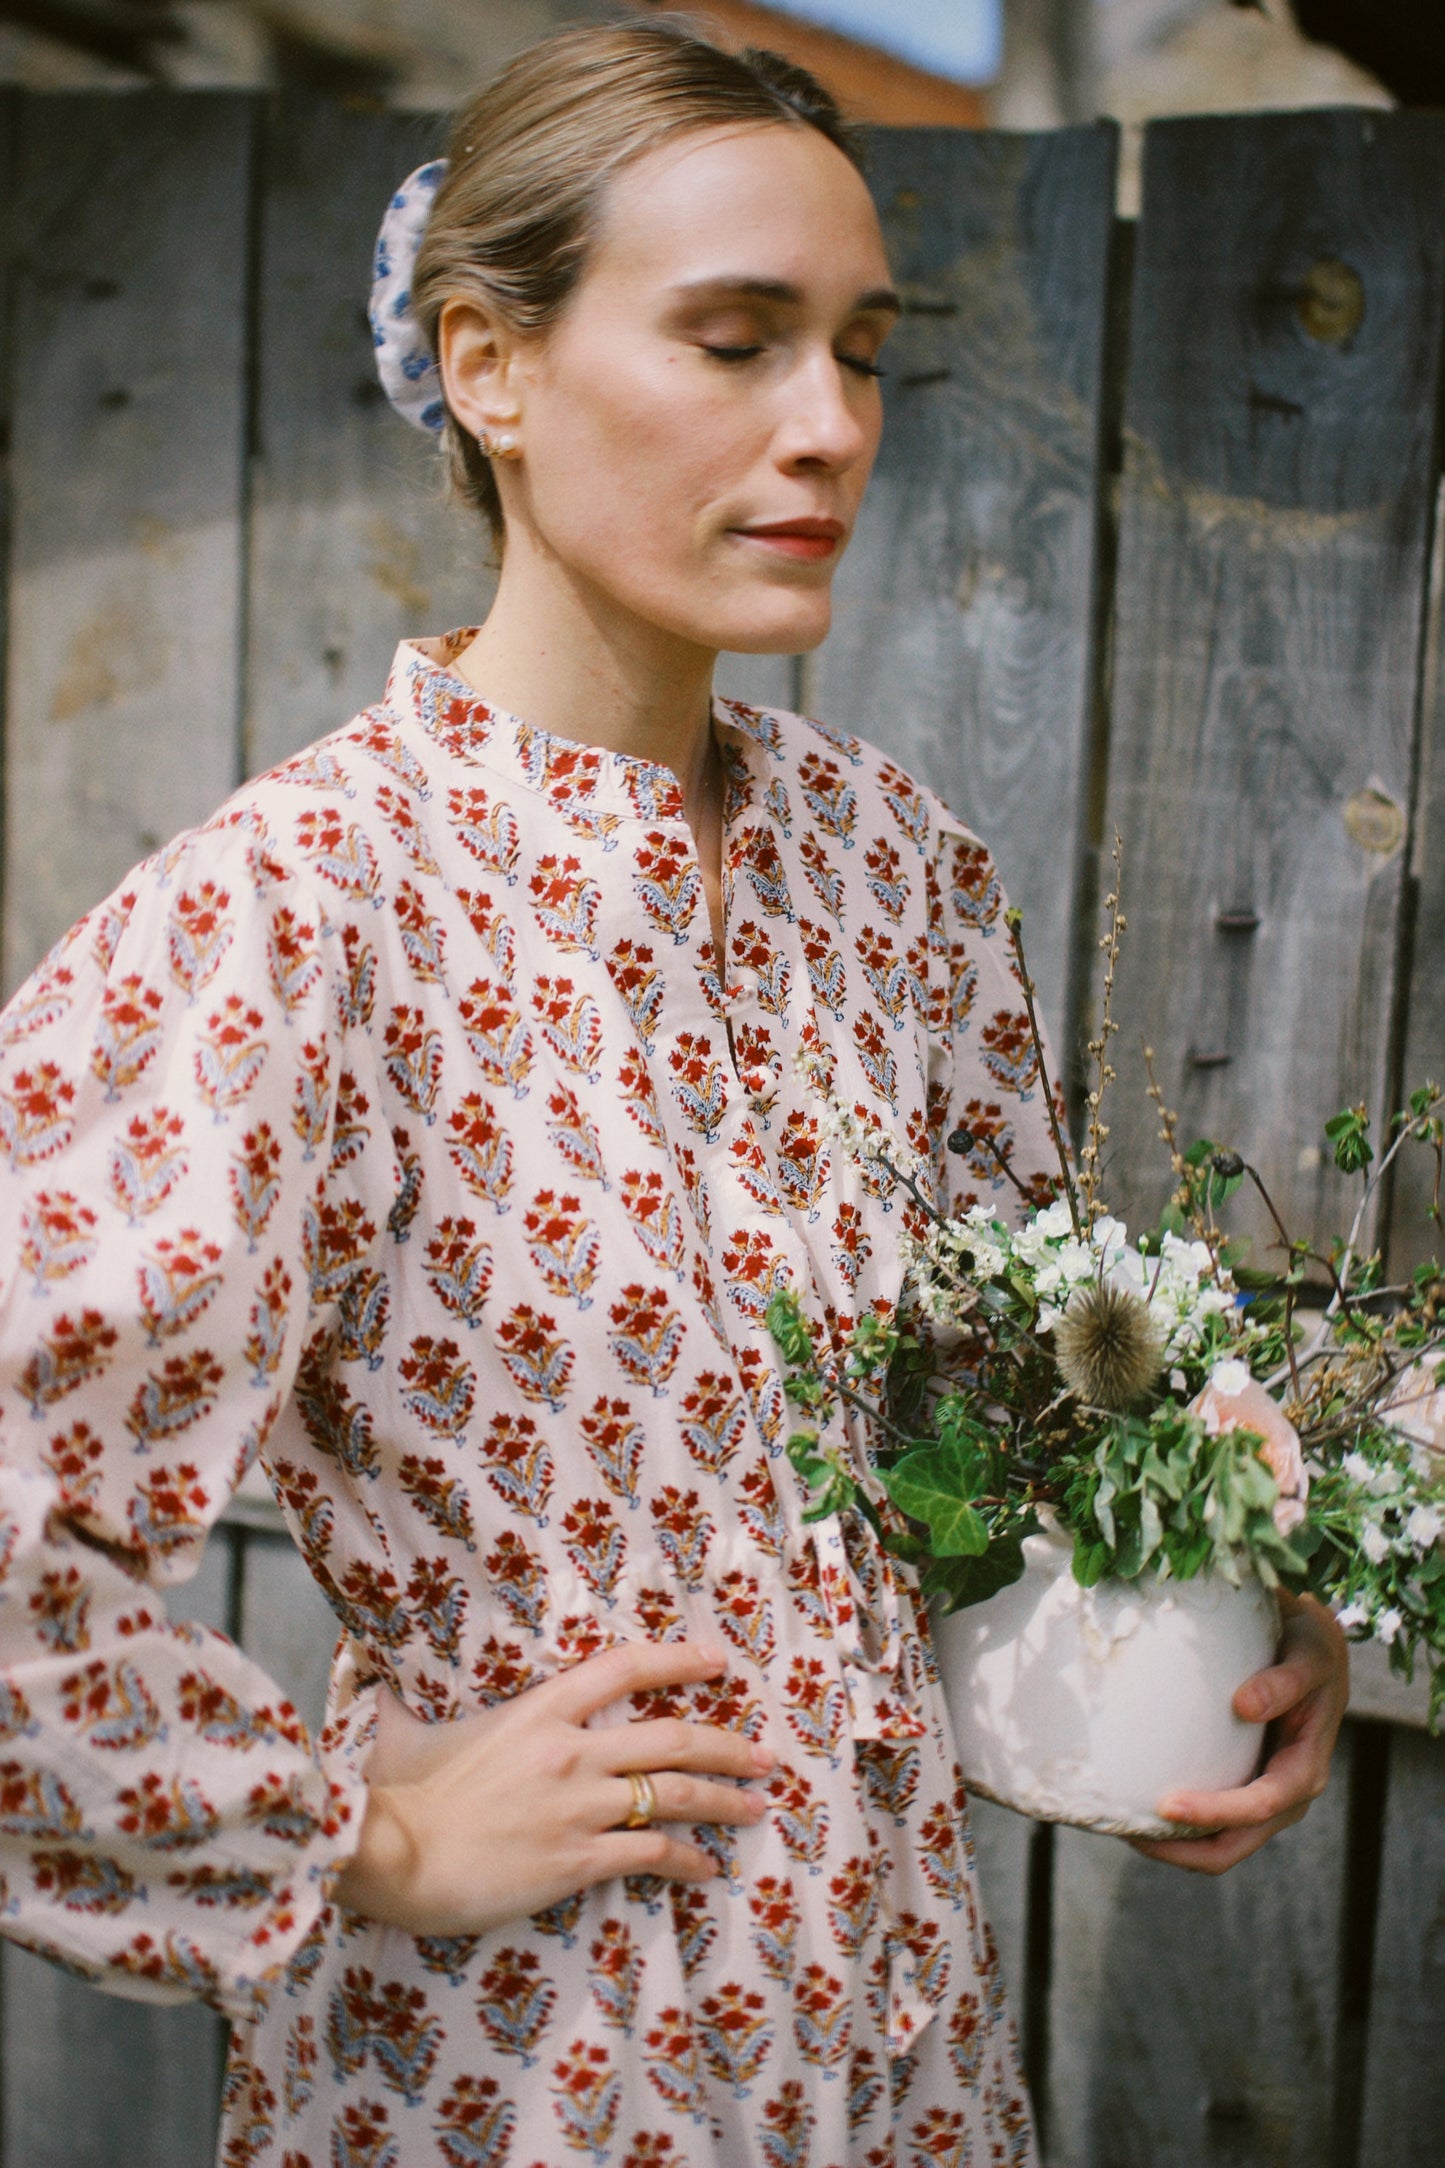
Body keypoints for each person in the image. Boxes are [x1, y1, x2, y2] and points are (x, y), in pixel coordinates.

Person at [0, 18, 1347, 2165]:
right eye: (735, 340)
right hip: (511, 2078)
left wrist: (1219, 1633)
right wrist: (364, 1827)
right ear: (490, 368)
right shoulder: (306, 910)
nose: (828, 427)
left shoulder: (896, 876)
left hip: (902, 2067)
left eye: (862, 350)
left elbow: (1009, 1444)